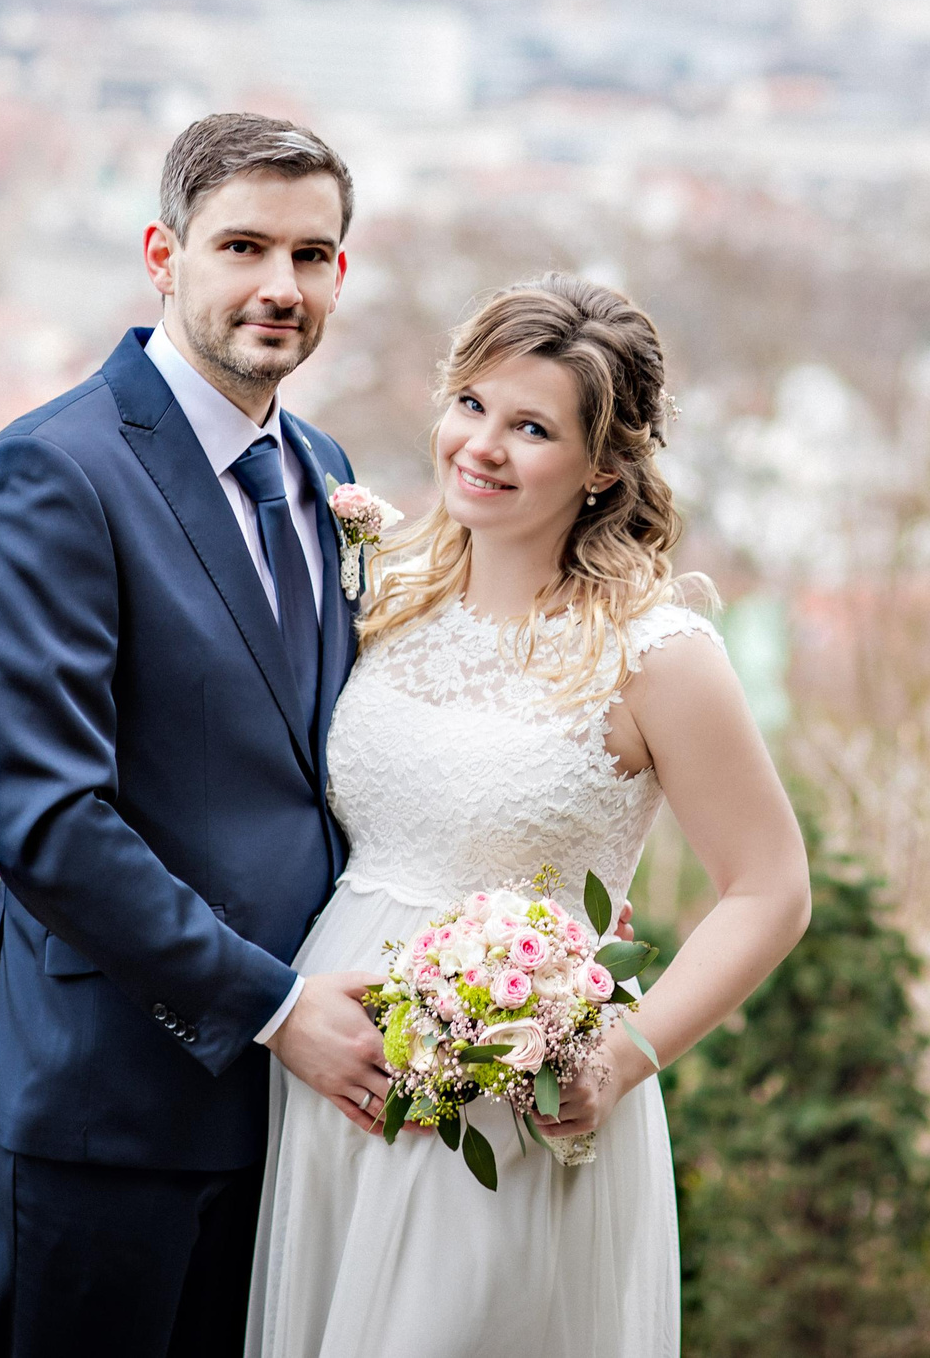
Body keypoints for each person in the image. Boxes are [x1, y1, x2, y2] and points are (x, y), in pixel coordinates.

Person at [245, 275, 814, 1358]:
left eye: (533, 428)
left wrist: (621, 1056)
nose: (483, 447)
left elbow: (770, 888)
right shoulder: (381, 593)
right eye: (472, 406)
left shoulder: (657, 653)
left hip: (508, 1095)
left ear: (604, 465)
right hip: (329, 1070)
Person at [0, 113, 398, 1357]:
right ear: (162, 253)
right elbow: (46, 822)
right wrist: (272, 1006)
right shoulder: (51, 474)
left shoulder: (323, 469)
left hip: (294, 1117)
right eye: (242, 245)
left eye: (312, 255)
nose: (278, 286)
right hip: (112, 1107)